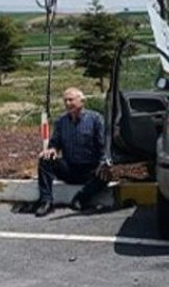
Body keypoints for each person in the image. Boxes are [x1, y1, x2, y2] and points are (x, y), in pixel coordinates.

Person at [34, 87, 112, 216]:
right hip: (69, 167)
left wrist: (104, 162)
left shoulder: (96, 119)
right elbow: (55, 144)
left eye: (71, 100)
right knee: (45, 160)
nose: (67, 103)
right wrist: (52, 150)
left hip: (90, 169)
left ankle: (80, 199)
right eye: (65, 101)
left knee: (106, 173)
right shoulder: (61, 121)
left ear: (82, 101)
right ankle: (46, 201)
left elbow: (103, 145)